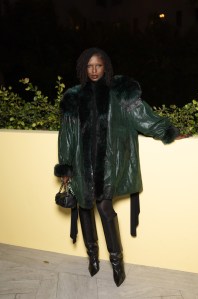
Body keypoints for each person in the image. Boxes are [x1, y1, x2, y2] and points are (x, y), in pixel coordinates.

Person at [54, 47, 181, 287]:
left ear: (106, 67)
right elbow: (67, 135)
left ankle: (116, 262)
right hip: (82, 166)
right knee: (83, 208)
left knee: (104, 208)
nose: (93, 71)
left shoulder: (119, 93)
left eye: (98, 66)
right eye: (89, 66)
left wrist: (167, 131)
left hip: (108, 165)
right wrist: (66, 167)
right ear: (83, 68)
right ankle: (93, 257)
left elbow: (142, 116)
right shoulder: (74, 96)